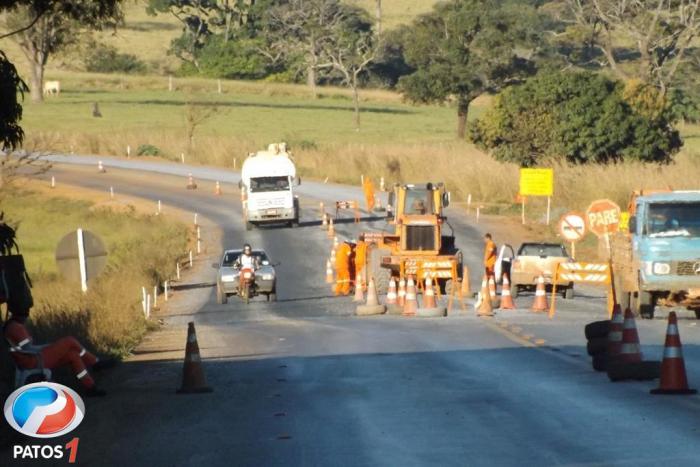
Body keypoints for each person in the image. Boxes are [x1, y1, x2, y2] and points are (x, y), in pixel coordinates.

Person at [4, 306, 114, 397]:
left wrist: (49, 347)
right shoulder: (16, 327)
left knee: (73, 355)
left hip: (30, 360)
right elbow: (28, 349)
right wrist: (48, 347)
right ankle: (95, 363)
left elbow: (25, 348)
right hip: (34, 361)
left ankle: (90, 387)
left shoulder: (11, 326)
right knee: (69, 341)